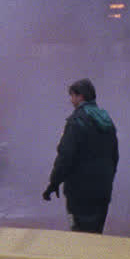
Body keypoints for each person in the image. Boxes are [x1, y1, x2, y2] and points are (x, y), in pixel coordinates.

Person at [42, 78, 118, 233]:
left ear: (80, 96)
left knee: (79, 235)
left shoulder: (77, 121)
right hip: (102, 190)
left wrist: (54, 183)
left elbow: (65, 156)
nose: (71, 100)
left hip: (79, 192)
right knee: (96, 234)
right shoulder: (107, 121)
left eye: (72, 96)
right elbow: (114, 156)